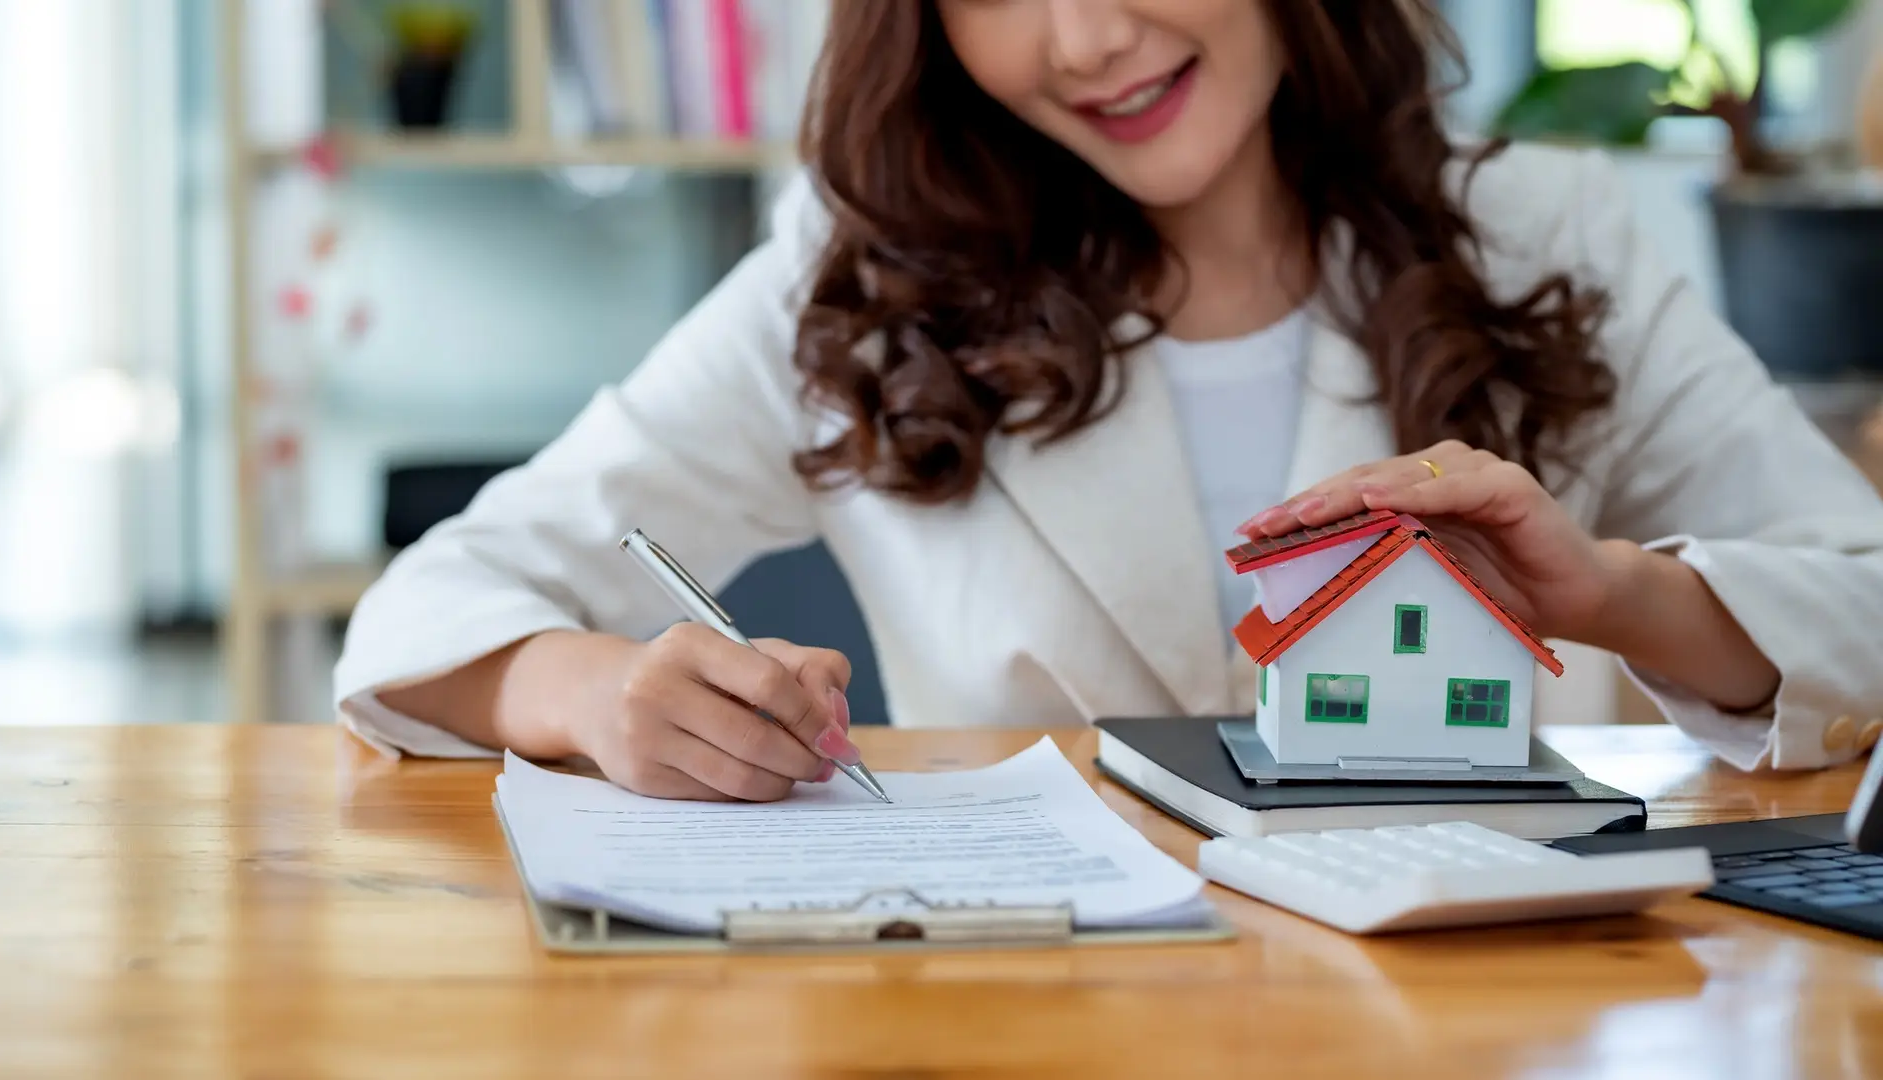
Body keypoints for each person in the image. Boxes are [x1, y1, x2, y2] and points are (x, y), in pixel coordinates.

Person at [333, 0, 1883, 800]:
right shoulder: (865, 278)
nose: (1084, 43)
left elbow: (1863, 603)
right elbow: (436, 603)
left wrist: (1612, 595)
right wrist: (602, 699)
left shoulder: (1550, 234)